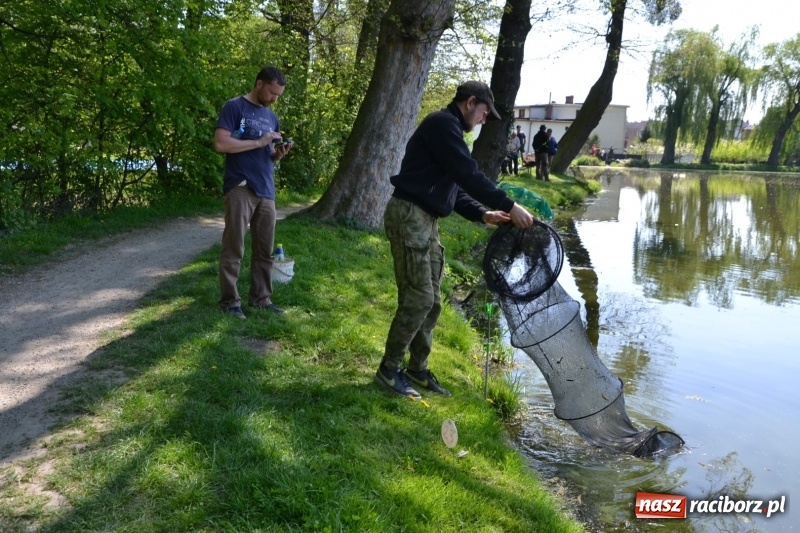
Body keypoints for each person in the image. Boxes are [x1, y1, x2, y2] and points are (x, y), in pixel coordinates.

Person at [375, 81, 536, 399]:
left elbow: (454, 186)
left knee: (433, 301)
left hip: (425, 220)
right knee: (418, 298)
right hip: (409, 217)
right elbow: (468, 174)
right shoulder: (442, 124)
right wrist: (509, 205)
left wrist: (482, 214)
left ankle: (416, 369)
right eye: (485, 112)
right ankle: (388, 371)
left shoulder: (449, 132)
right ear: (471, 102)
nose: (484, 120)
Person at [214, 66, 293, 319]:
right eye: (272, 92)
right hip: (240, 186)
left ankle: (261, 299)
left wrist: (276, 154)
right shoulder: (234, 107)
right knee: (234, 247)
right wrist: (259, 142)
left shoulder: (271, 117)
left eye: (278, 95)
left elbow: (267, 153)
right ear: (259, 84)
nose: (274, 99)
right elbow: (221, 143)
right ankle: (230, 303)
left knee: (264, 250)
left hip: (266, 189)